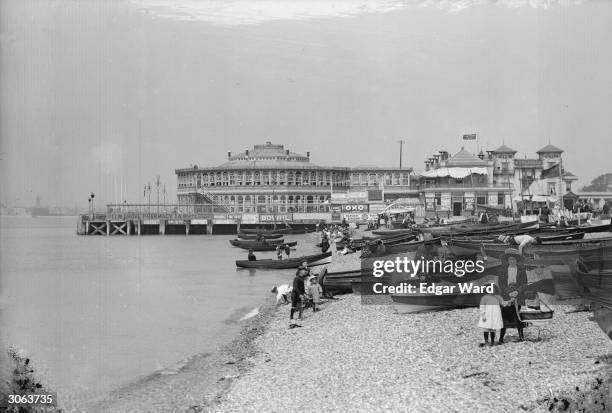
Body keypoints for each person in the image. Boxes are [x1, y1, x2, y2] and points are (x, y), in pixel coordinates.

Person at [498, 249, 528, 343]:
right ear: (507, 260)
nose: (512, 261)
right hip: (506, 294)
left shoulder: (521, 269)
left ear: (516, 260)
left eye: (513, 259)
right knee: (504, 315)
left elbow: (524, 283)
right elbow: (501, 283)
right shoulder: (503, 269)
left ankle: (521, 336)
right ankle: (501, 338)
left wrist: (517, 292)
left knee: (518, 315)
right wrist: (508, 292)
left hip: (517, 294)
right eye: (510, 259)